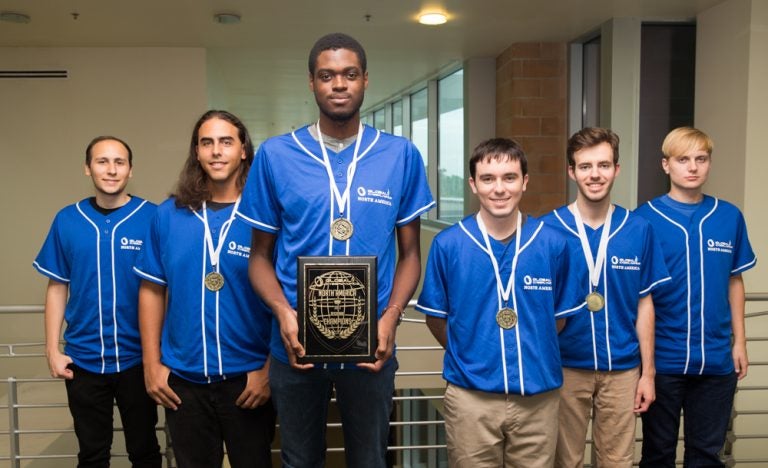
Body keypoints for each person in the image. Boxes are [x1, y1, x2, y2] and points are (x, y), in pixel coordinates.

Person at [236, 32, 434, 467]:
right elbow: (259, 258)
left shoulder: (400, 155)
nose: (338, 84)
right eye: (327, 75)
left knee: (370, 460)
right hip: (296, 347)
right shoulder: (275, 155)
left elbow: (410, 256)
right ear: (311, 82)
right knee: (299, 459)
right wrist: (284, 314)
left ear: (365, 80)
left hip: (372, 348)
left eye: (349, 74)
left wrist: (391, 318)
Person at [416, 138, 582, 468]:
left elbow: (559, 319)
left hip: (538, 398)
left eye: (509, 177)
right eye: (488, 179)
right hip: (471, 398)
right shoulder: (448, 245)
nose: (499, 189)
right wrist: (472, 352)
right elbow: (436, 318)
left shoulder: (554, 244)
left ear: (525, 181)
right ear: (473, 184)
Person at [134, 110, 275, 468]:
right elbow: (151, 291)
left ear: (243, 150)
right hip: (183, 381)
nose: (216, 151)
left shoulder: (267, 217)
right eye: (206, 142)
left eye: (226, 141)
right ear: (195, 152)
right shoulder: (168, 216)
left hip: (249, 380)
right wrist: (152, 365)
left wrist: (269, 370)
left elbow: (286, 296)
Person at [540, 127, 671, 467]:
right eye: (585, 166)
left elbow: (645, 303)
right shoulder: (546, 231)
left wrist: (648, 373)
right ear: (571, 171)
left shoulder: (638, 229)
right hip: (564, 368)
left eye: (603, 165)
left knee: (617, 461)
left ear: (617, 169)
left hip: (623, 370)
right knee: (563, 461)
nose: (595, 174)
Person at [33, 136, 161, 467]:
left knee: (145, 451)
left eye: (119, 162)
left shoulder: (154, 218)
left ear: (131, 170)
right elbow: (57, 287)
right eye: (102, 161)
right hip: (84, 359)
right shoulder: (67, 220)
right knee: (92, 454)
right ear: (88, 168)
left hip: (139, 358)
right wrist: (52, 350)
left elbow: (170, 287)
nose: (111, 169)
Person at [635, 127, 756, 467]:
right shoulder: (643, 220)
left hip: (716, 362)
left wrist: (741, 342)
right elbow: (638, 294)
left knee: (706, 455)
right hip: (663, 361)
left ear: (709, 164)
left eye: (700, 159)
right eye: (683, 159)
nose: (692, 167)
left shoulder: (728, 217)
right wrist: (645, 365)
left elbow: (735, 281)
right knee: (657, 454)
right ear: (666, 165)